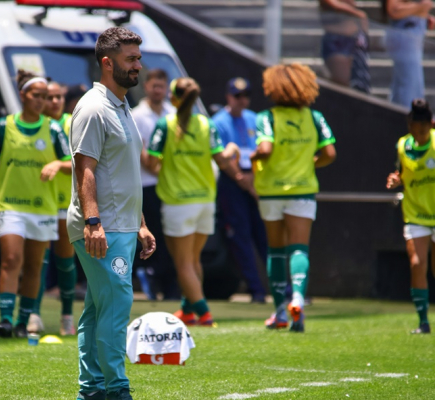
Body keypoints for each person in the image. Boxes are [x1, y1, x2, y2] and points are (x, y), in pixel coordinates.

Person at [68, 27, 155, 400]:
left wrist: (141, 222)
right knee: (118, 302)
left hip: (122, 224)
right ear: (107, 63)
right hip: (100, 227)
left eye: (138, 57)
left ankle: (90, 391)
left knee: (98, 307)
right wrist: (93, 222)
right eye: (131, 59)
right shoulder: (93, 107)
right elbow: (83, 169)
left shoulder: (122, 105)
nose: (139, 65)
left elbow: (122, 174)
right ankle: (117, 390)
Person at [0, 70, 71, 339]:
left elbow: (73, 163)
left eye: (45, 97)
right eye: (36, 95)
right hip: (10, 205)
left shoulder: (54, 129)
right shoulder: (4, 126)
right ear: (23, 95)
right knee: (11, 259)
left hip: (42, 208)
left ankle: (23, 321)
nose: (41, 101)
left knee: (34, 267)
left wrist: (57, 163)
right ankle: (6, 319)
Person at [143, 77, 246, 326]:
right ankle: (187, 310)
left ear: (174, 98)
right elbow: (222, 160)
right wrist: (233, 152)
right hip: (205, 202)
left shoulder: (165, 124)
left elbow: (152, 164)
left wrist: (139, 149)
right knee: (194, 261)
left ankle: (203, 312)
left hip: (178, 203)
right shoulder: (206, 124)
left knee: (184, 264)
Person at [252, 63, 337, 332]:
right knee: (299, 249)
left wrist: (252, 157)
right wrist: (311, 162)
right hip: (302, 190)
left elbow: (264, 149)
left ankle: (279, 312)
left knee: (275, 250)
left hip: (271, 191)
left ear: (273, 88)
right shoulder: (315, 117)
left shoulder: (267, 117)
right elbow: (330, 154)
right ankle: (298, 297)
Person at [212, 78, 268, 304]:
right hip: (233, 185)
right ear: (228, 97)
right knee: (241, 237)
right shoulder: (219, 122)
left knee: (265, 236)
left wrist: (254, 181)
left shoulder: (255, 119)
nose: (242, 100)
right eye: (237, 96)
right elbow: (224, 160)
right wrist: (243, 181)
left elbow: (264, 151)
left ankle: (281, 289)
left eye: (246, 96)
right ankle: (256, 291)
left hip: (255, 180)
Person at [28, 80, 77, 336]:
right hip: (39, 202)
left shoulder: (73, 122)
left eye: (59, 97)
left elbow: (83, 161)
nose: (55, 102)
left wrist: (59, 165)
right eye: (50, 97)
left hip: (66, 202)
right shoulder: (35, 124)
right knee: (39, 261)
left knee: (65, 261)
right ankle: (33, 315)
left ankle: (67, 316)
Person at [386, 99, 435, 334]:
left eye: (424, 129)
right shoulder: (402, 146)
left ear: (431, 124)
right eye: (416, 128)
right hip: (415, 213)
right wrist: (397, 180)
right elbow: (401, 174)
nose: (419, 133)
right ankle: (423, 322)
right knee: (417, 263)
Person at [131, 68, 179, 301]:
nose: (158, 90)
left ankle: (169, 287)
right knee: (152, 234)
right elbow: (142, 155)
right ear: (146, 86)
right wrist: (163, 170)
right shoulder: (137, 115)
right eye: (154, 85)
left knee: (170, 235)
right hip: (148, 185)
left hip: (170, 186)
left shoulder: (174, 113)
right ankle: (150, 278)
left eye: (162, 86)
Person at [383, 0, 434, 108]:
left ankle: (398, 121)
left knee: (407, 87)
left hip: (413, 39)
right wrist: (421, 7)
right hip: (404, 37)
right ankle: (406, 122)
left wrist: (424, 18)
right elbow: (394, 10)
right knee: (409, 89)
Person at [318, 0, 371, 92]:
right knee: (341, 86)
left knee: (358, 84)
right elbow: (330, 3)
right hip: (337, 42)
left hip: (354, 41)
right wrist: (357, 13)